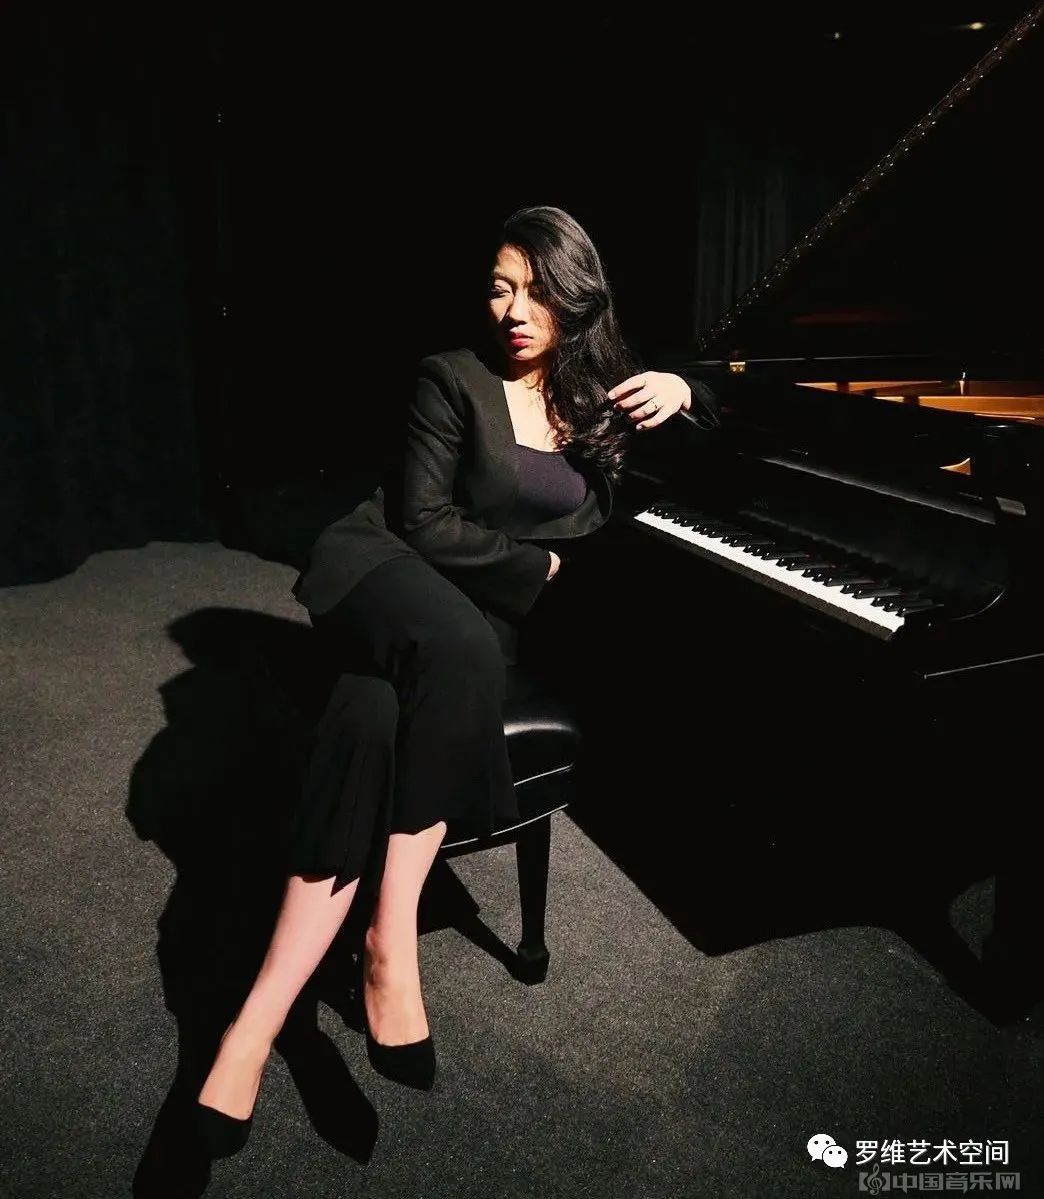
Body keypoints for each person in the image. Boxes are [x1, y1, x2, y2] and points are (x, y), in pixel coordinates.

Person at [193, 205, 719, 1158]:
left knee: (366, 714)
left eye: (535, 290)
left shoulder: (603, 401)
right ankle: (389, 943)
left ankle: (253, 1027)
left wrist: (688, 386)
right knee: (461, 651)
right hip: (390, 572)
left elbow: (726, 428)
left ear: (577, 297)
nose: (512, 309)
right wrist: (541, 569)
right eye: (499, 287)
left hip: (474, 621)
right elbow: (425, 523)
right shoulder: (452, 377)